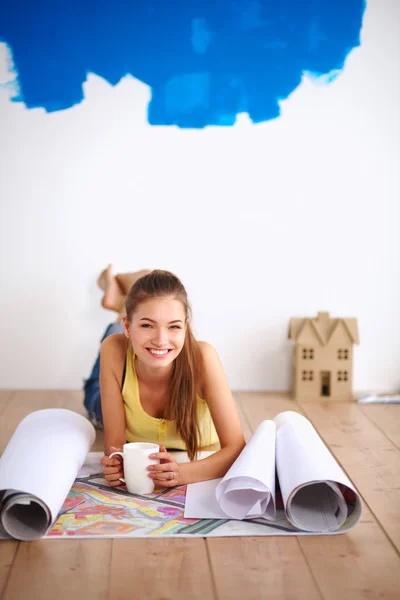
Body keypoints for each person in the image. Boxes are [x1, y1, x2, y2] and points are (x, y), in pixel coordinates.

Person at [99, 269, 245, 489]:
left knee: (136, 342)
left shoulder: (204, 358)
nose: (161, 339)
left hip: (138, 350)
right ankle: (119, 303)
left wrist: (181, 473)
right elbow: (115, 449)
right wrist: (116, 465)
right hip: (123, 358)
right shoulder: (113, 349)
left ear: (185, 328)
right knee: (96, 389)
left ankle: (120, 298)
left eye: (174, 326)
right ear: (127, 326)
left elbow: (237, 448)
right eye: (147, 325)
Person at [83, 265, 151, 428]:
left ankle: (125, 302)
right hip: (108, 398)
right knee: (118, 336)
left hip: (108, 397)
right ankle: (125, 302)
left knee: (119, 332)